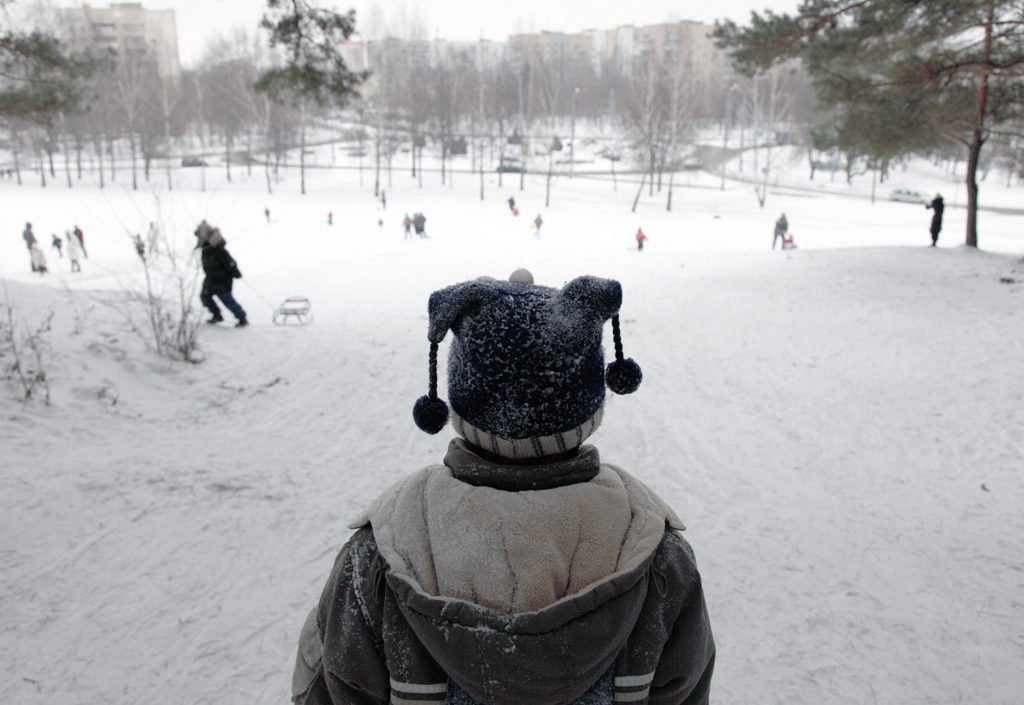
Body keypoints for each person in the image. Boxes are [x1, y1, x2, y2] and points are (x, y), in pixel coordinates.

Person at [290, 269, 715, 705]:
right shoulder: (656, 555)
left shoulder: (381, 553)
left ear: (458, 399)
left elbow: (326, 687)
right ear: (590, 401)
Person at [194, 220, 248, 328]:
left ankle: (242, 318)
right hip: (210, 278)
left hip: (222, 279)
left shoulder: (218, 249)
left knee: (226, 299)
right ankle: (216, 315)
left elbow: (230, 262)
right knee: (205, 296)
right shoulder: (206, 248)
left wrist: (235, 272)